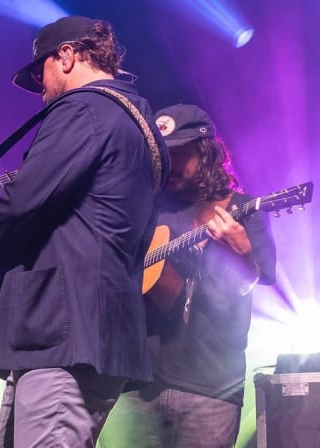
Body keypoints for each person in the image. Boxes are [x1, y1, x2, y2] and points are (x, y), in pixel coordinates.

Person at [0, 15, 170, 448]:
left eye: (39, 72)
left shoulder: (84, 108)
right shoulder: (142, 126)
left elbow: (24, 195)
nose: (40, 90)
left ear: (65, 56)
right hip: (87, 337)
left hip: (65, 340)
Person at [105, 104, 276, 447]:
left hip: (209, 387)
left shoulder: (241, 208)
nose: (170, 166)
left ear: (207, 152)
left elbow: (250, 283)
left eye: (180, 154)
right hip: (135, 384)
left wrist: (241, 254)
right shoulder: (143, 211)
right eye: (163, 156)